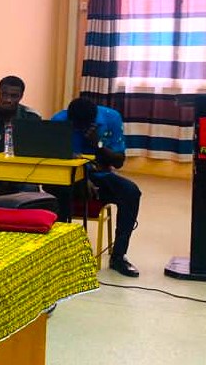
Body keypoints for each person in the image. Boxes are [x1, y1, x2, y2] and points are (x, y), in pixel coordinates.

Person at [51, 97, 142, 277]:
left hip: (101, 176)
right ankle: (60, 252)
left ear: (92, 122)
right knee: (57, 190)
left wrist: (97, 144)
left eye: (82, 127)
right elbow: (52, 158)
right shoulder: (59, 120)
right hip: (68, 176)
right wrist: (81, 178)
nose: (79, 130)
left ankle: (118, 256)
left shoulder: (111, 118)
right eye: (76, 126)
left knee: (131, 192)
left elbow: (118, 162)